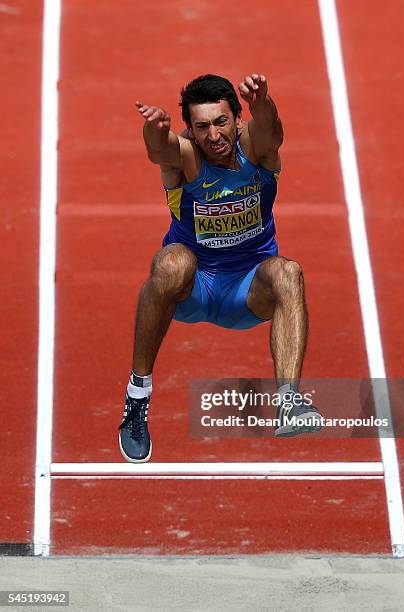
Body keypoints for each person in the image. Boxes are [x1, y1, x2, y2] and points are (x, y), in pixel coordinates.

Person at [119, 73, 322, 463]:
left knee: (288, 271)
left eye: (220, 122)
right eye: (202, 127)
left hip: (247, 290)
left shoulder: (257, 152)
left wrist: (262, 101)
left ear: (237, 120)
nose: (213, 135)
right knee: (171, 261)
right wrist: (153, 129)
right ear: (191, 131)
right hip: (193, 288)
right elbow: (159, 150)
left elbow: (271, 128)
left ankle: (290, 402)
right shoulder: (187, 160)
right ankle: (137, 396)